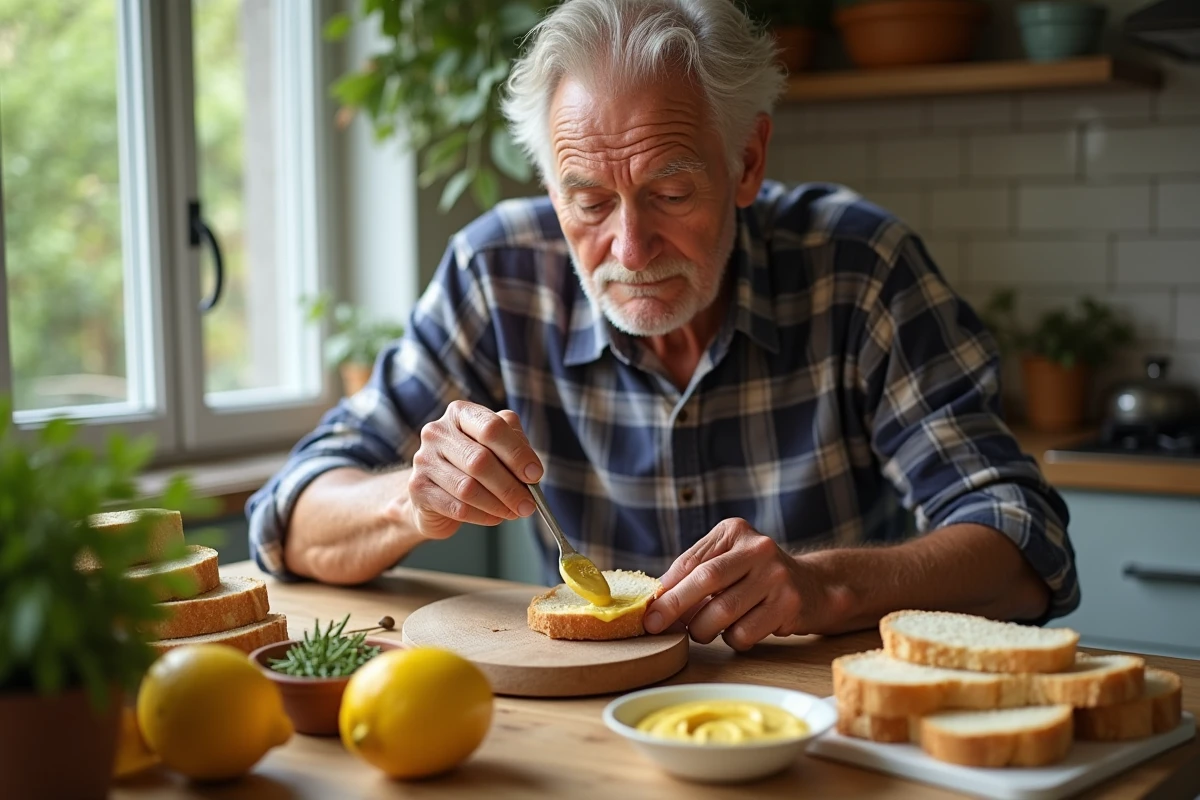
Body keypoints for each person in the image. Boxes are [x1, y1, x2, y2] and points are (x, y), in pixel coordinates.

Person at [247, 0, 1078, 651]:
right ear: (549, 185)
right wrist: (411, 502)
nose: (630, 247)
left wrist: (825, 587)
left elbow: (1022, 541)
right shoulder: (496, 272)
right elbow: (288, 519)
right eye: (589, 201)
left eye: (671, 193)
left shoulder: (859, 267)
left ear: (747, 161)